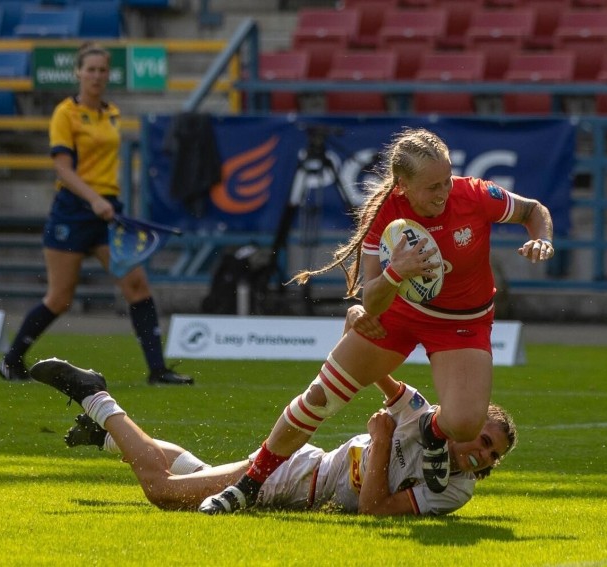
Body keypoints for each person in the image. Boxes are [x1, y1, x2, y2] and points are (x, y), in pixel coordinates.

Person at [199, 127, 554, 514]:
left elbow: (534, 211)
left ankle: (431, 432)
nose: (444, 192)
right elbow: (371, 297)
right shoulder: (384, 212)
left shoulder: (475, 194)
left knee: (466, 425)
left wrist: (543, 239)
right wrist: (395, 272)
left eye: (447, 179)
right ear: (402, 184)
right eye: (432, 186)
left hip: (463, 322)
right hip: (399, 313)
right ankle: (247, 486)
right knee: (319, 398)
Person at [30, 357, 517, 515]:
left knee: (193, 473)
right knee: (163, 493)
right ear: (466, 423)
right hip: (295, 477)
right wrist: (361, 324)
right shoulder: (423, 416)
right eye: (485, 439)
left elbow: (374, 510)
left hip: (302, 476)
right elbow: (378, 371)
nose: (484, 453)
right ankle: (97, 397)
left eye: (492, 453)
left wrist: (383, 440)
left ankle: (108, 437)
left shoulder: (457, 490)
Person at [0, 41, 192, 386]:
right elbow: (63, 170)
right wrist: (94, 200)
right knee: (60, 297)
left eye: (103, 70)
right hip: (73, 212)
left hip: (106, 213)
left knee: (137, 286)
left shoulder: (112, 112)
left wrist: (106, 202)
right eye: (91, 69)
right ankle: (11, 361)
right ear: (78, 73)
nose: (97, 76)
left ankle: (158, 371)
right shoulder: (65, 113)